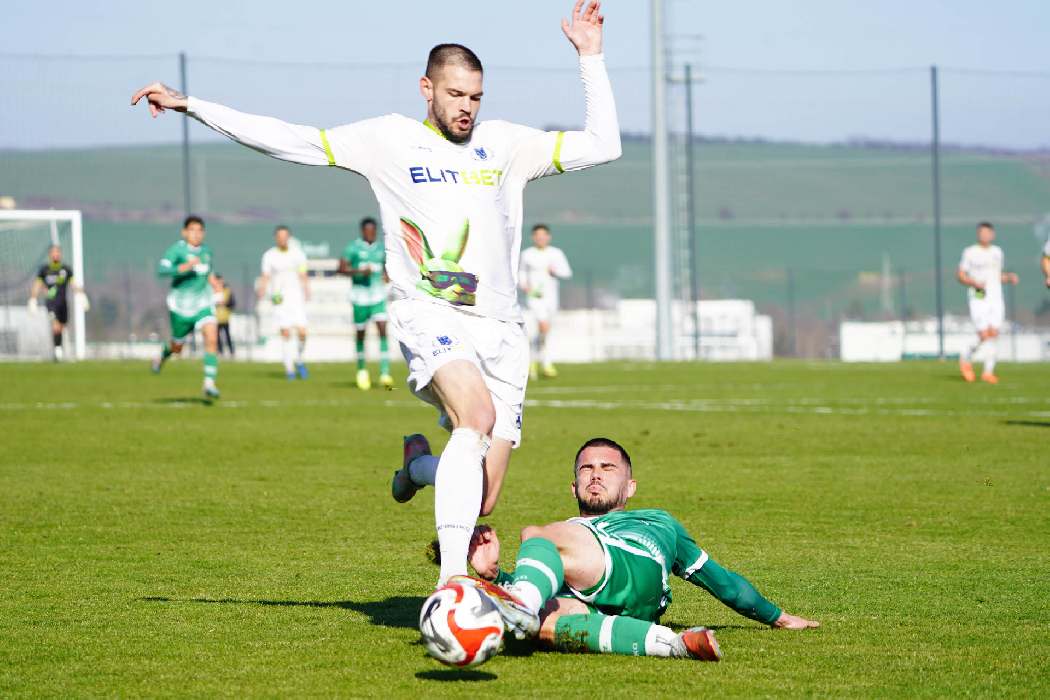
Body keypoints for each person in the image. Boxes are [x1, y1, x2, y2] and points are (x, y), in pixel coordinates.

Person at [131, 0, 621, 587]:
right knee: (476, 417)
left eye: (475, 96)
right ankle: (451, 585)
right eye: (455, 94)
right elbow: (291, 139)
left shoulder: (506, 144)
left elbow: (604, 144)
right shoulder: (388, 140)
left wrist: (590, 57)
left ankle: (417, 467)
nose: (466, 107)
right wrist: (191, 105)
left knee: (484, 495)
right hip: (428, 311)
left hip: (502, 330)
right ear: (427, 89)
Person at [456, 437, 818, 661]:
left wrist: (780, 617)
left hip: (633, 562)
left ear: (630, 487)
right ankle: (670, 643)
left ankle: (520, 600)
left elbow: (721, 580)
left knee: (535, 533)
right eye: (586, 469)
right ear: (574, 487)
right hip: (621, 607)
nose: (596, 474)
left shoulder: (658, 521)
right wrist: (495, 575)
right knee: (541, 623)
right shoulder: (568, 540)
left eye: (608, 468)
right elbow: (547, 585)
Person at [152, 215, 222, 399]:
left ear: (203, 233)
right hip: (181, 307)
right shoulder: (178, 250)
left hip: (203, 304)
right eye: (192, 230)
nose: (196, 234)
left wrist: (215, 283)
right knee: (177, 347)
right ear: (184, 232)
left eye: (199, 230)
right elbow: (162, 269)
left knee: (212, 337)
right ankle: (163, 354)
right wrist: (183, 267)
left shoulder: (206, 251)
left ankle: (209, 383)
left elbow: (208, 270)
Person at [957, 221, 1019, 384]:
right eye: (981, 232)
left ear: (992, 235)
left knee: (993, 333)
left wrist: (1008, 277)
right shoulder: (970, 252)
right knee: (983, 334)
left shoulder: (997, 252)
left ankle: (988, 372)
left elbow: (996, 275)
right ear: (977, 234)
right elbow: (961, 275)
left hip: (996, 298)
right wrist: (974, 282)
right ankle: (966, 358)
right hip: (978, 298)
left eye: (987, 233)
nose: (984, 236)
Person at [338, 216, 392, 390]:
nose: (371, 233)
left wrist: (386, 275)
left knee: (383, 330)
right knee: (361, 334)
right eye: (368, 230)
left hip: (378, 297)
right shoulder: (353, 248)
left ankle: (385, 373)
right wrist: (360, 272)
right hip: (359, 298)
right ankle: (362, 370)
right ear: (363, 231)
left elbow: (386, 268)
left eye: (373, 230)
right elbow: (341, 268)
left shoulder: (381, 249)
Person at [519, 224, 572, 379]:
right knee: (543, 326)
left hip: (551, 298)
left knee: (546, 331)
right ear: (533, 237)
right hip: (535, 297)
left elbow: (567, 273)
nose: (540, 238)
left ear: (548, 237)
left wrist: (554, 271)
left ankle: (536, 358)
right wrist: (524, 285)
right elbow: (521, 271)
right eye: (537, 235)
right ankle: (546, 364)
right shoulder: (527, 254)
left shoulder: (556, 253)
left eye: (543, 235)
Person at [260, 225, 311, 380]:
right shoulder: (269, 255)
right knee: (286, 332)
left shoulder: (298, 254)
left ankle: (299, 359)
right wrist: (262, 289)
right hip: (280, 299)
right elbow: (266, 276)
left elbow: (303, 274)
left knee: (302, 332)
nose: (282, 239)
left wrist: (306, 291)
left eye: (285, 236)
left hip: (296, 298)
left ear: (289, 237)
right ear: (275, 238)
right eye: (279, 236)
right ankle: (289, 367)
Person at [28, 245, 88, 361]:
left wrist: (82, 295)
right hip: (51, 303)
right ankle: (58, 351)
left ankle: (58, 347)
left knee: (61, 327)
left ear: (61, 254)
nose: (55, 254)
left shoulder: (66, 270)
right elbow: (37, 285)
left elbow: (74, 284)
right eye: (53, 252)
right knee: (55, 326)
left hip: (63, 302)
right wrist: (33, 299)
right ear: (49, 254)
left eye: (57, 252)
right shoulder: (44, 270)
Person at [213, 274, 236, 357]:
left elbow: (232, 303)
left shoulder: (227, 290)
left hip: (225, 317)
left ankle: (231, 352)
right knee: (217, 337)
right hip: (215, 318)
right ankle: (220, 353)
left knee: (227, 336)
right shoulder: (211, 291)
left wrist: (224, 303)